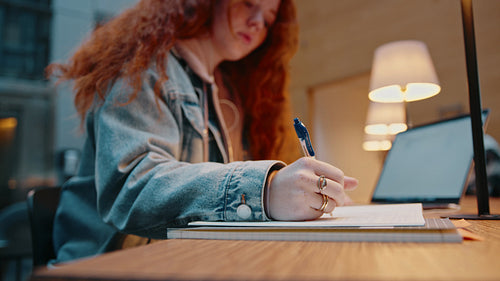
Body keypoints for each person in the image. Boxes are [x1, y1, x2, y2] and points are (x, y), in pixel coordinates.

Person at [46, 0, 358, 264]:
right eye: (249, 2)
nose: (256, 22)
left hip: (181, 262)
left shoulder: (231, 92)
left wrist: (300, 196)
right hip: (106, 265)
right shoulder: (143, 64)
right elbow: (133, 187)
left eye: (269, 18)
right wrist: (265, 190)